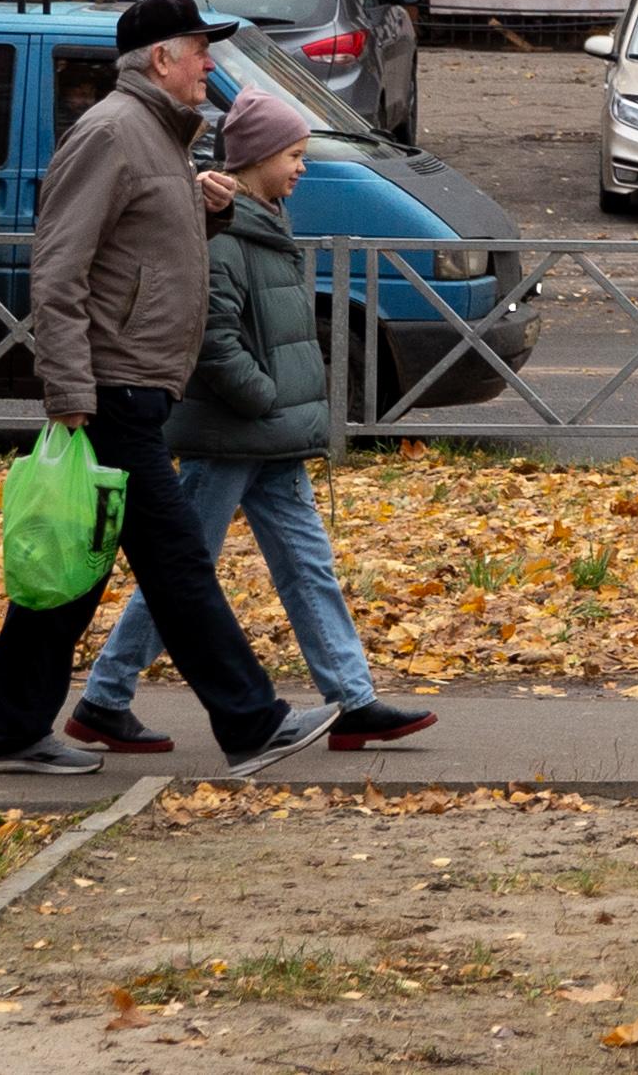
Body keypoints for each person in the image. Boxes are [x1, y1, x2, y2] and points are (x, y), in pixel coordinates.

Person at [0, 0, 335, 778]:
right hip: (110, 391)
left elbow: (136, 252)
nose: (210, 62)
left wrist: (197, 210)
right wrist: (68, 392)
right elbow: (59, 267)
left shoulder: (160, 139)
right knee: (176, 564)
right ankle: (251, 722)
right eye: (199, 49)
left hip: (133, 385)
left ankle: (8, 733)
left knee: (72, 571)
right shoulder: (111, 133)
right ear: (160, 60)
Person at [65, 85, 439, 756]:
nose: (301, 166)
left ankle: (351, 700)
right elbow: (212, 337)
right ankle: (103, 697)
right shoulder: (227, 232)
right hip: (232, 434)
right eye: (293, 154)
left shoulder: (262, 221)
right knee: (182, 573)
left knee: (306, 565)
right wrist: (264, 398)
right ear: (257, 156)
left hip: (267, 436)